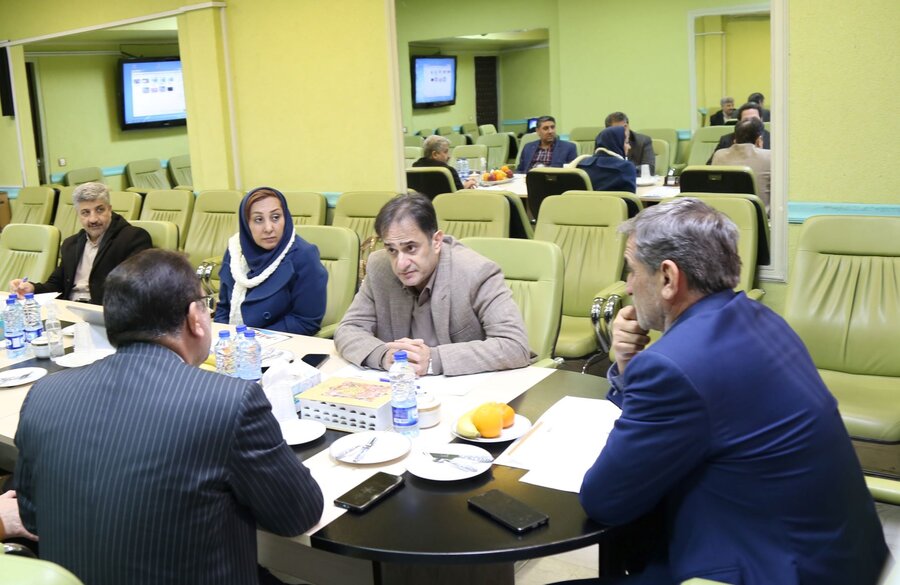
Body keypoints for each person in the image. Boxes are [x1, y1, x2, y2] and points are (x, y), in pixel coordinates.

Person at [575, 199, 889, 585]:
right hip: (837, 560)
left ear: (669, 278)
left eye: (632, 270)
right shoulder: (761, 319)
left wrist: (637, 371)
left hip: (766, 570)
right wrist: (627, 366)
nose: (627, 286)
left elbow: (605, 501)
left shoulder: (673, 366)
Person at [14, 249, 324, 585]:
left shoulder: (44, 395)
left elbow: (31, 519)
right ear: (194, 317)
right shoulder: (228, 401)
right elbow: (298, 514)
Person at [334, 193, 531, 377]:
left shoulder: (476, 272)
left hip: (465, 388)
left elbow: (514, 346)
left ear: (436, 241)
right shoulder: (380, 267)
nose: (401, 264)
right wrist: (383, 355)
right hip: (400, 387)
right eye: (392, 250)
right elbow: (349, 328)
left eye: (411, 248)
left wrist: (432, 360)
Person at [9, 182, 151, 304]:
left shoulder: (133, 238)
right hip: (69, 310)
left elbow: (136, 290)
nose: (93, 219)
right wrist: (32, 288)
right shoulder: (71, 244)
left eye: (100, 210)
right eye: (85, 212)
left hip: (106, 313)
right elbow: (56, 285)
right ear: (78, 214)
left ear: (110, 209)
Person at [214, 187, 327, 335]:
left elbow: (305, 322)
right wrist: (222, 337)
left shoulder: (304, 255)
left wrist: (251, 339)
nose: (268, 228)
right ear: (246, 224)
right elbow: (224, 308)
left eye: (275, 217)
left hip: (281, 342)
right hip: (235, 343)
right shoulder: (236, 252)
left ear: (285, 218)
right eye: (258, 220)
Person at [711, 117, 772, 212]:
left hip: (725, 217)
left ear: (735, 140)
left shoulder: (719, 155)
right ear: (759, 140)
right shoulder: (770, 157)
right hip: (758, 218)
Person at [578, 125, 636, 193]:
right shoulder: (626, 167)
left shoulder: (580, 164)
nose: (629, 147)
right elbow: (630, 198)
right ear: (616, 144)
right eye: (626, 142)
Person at [412, 135, 478, 191]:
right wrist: (465, 186)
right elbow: (459, 194)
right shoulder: (447, 172)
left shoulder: (414, 170)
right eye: (445, 152)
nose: (449, 156)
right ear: (435, 154)